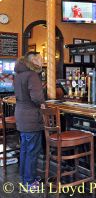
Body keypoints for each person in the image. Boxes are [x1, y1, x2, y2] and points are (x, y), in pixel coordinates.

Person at [14, 52, 45, 189]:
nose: (42, 61)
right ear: (33, 61)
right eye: (40, 59)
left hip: (21, 115)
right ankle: (30, 181)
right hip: (31, 117)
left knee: (25, 149)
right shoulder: (32, 75)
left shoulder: (19, 74)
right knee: (32, 150)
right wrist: (43, 103)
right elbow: (37, 97)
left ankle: (25, 176)